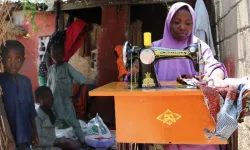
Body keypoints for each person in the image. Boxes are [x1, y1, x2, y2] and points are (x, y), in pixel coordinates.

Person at [126, 2, 227, 150]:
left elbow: (215, 66)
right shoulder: (154, 48)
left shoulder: (199, 47)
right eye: (177, 22)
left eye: (188, 23)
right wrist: (135, 72)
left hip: (194, 111)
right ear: (169, 23)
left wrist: (216, 77)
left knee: (204, 140)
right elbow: (135, 77)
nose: (182, 27)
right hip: (160, 111)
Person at [0, 40, 39, 150]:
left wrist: (34, 131)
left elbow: (31, 109)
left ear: (23, 60)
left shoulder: (26, 82)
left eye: (18, 59)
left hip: (24, 135)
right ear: (1, 59)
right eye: (8, 58)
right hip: (7, 137)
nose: (13, 63)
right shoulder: (0, 82)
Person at [47, 42, 86, 143]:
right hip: (54, 105)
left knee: (75, 124)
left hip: (66, 104)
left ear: (63, 54)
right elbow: (48, 86)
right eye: (53, 54)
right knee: (51, 125)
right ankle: (52, 143)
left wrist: (77, 95)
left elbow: (82, 81)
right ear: (50, 55)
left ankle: (83, 141)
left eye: (58, 53)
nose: (56, 56)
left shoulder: (67, 67)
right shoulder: (51, 69)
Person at [34, 86, 81, 150]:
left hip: (53, 140)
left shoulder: (52, 111)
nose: (49, 99)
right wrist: (58, 144)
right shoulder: (37, 117)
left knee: (76, 144)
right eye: (44, 97)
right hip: (42, 147)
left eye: (50, 95)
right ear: (37, 100)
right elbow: (38, 141)